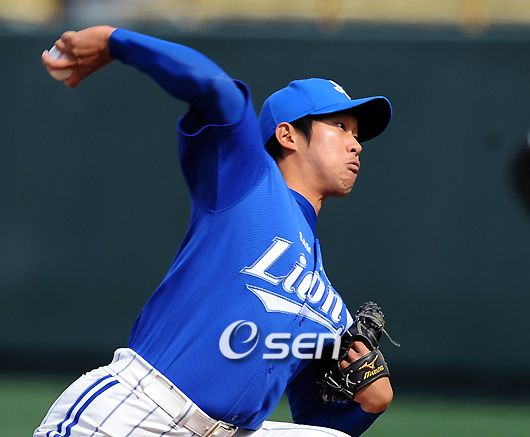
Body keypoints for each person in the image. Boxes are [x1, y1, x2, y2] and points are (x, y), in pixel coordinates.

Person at [37, 25, 393, 437]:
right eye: (340, 126)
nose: (355, 144)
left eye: (356, 134)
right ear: (287, 135)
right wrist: (115, 41)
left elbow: (315, 420)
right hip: (138, 409)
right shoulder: (247, 183)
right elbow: (216, 91)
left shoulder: (328, 306)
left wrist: (371, 404)